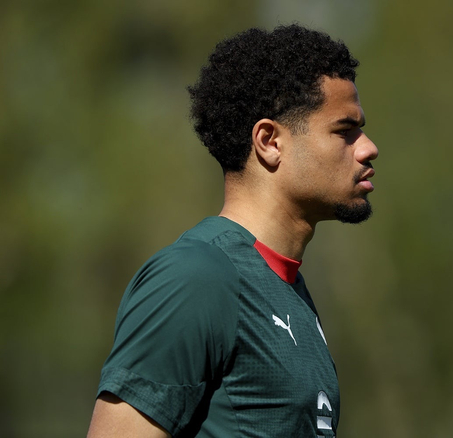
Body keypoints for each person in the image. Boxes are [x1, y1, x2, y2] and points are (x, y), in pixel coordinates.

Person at [87, 24, 378, 437]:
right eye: (344, 130)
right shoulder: (195, 278)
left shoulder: (292, 293)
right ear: (269, 141)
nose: (368, 147)